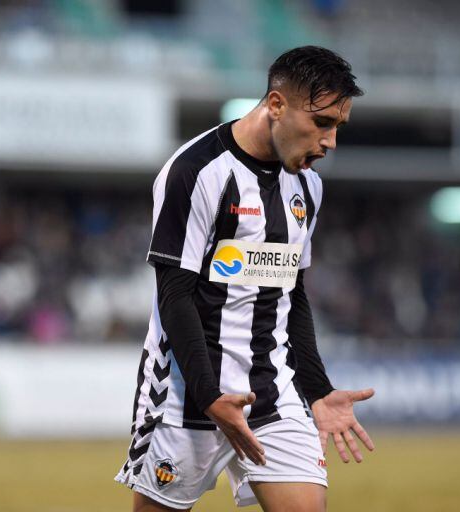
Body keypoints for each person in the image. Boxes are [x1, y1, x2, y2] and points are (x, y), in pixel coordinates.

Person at [115, 46, 375, 512]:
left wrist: (316, 389)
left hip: (272, 390)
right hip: (185, 394)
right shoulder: (196, 172)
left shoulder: (308, 186)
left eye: (338, 126)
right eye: (321, 123)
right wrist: (209, 395)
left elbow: (290, 292)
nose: (331, 141)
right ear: (276, 105)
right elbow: (174, 294)